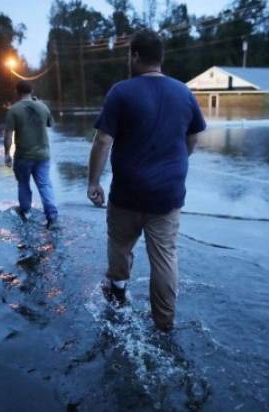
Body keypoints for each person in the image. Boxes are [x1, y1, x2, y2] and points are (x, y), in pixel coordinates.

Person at [87, 29, 206, 331]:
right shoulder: (183, 92)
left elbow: (103, 141)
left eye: (130, 54)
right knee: (164, 257)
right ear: (161, 58)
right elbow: (193, 138)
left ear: (136, 56)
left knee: (120, 246)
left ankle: (117, 296)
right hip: (166, 197)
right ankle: (164, 323)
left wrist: (93, 182)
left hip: (127, 193)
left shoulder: (121, 92)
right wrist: (176, 164)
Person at [4, 80, 58, 228]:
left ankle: (25, 212)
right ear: (32, 91)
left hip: (23, 157)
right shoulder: (42, 106)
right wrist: (40, 105)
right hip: (43, 155)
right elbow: (51, 124)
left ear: (17, 92)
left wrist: (7, 154)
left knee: (23, 184)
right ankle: (52, 216)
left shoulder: (13, 110)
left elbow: (8, 135)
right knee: (45, 184)